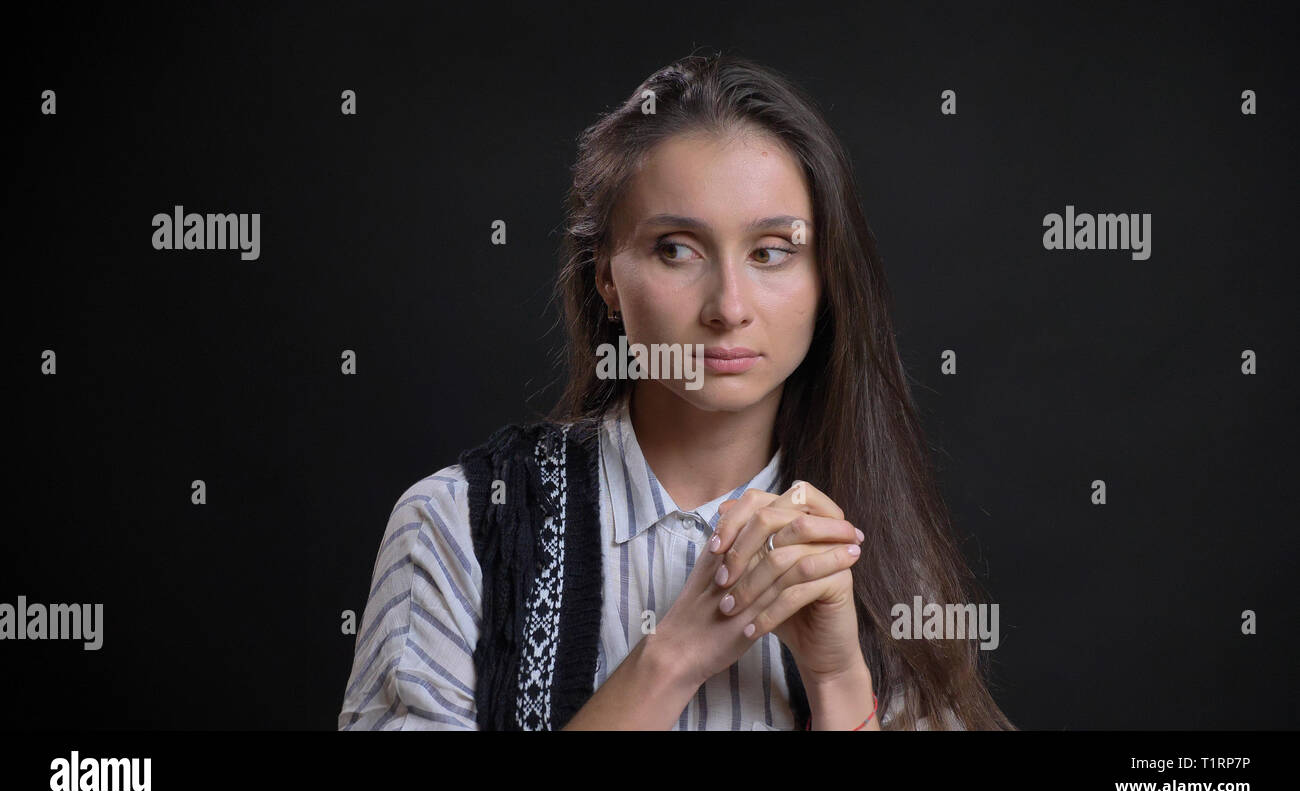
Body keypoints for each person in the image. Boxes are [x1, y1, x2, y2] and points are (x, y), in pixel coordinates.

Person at [338, 51, 1015, 731]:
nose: (728, 305)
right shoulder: (460, 526)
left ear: (825, 277)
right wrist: (672, 658)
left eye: (771, 251)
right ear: (606, 275)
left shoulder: (883, 553)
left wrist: (838, 680)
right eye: (676, 249)